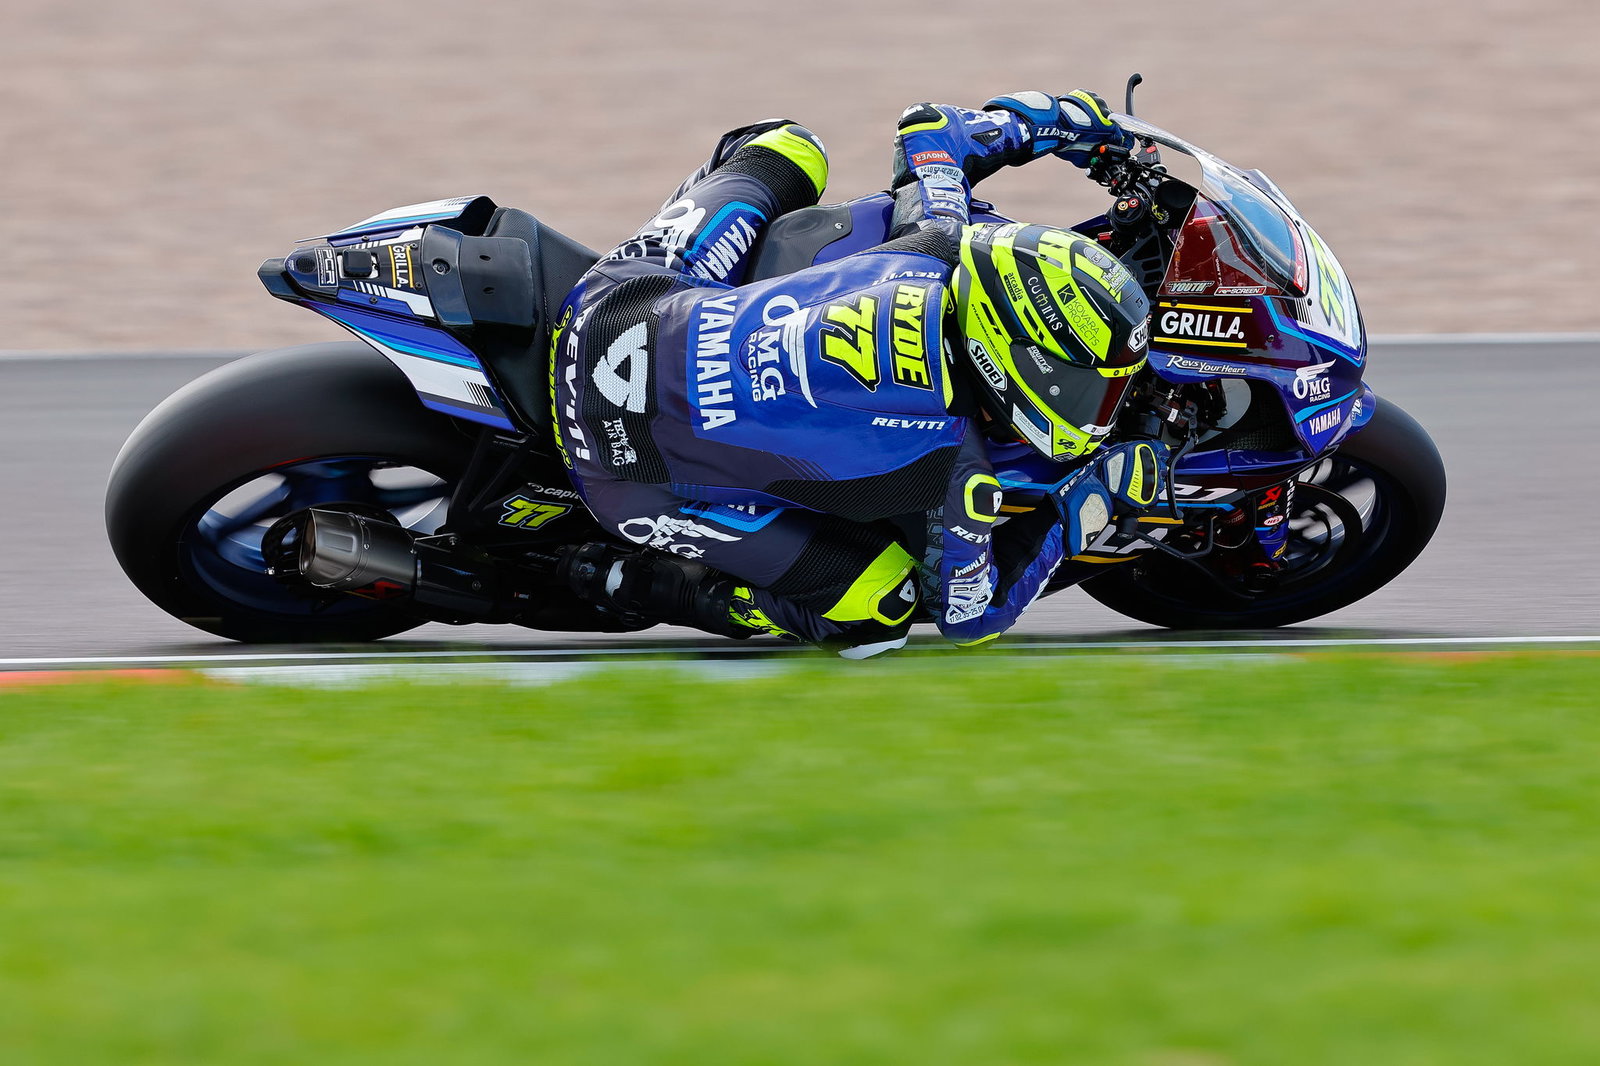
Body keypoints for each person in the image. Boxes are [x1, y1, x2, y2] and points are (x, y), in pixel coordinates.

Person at [550, 90, 1166, 656]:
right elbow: (972, 617)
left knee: (784, 146)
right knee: (879, 612)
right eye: (1086, 383)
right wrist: (1096, 496)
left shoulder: (934, 241)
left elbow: (929, 128)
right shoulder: (958, 468)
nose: (1100, 401)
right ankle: (644, 583)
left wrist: (1058, 122)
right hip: (624, 473)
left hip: (615, 307)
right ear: (1005, 356)